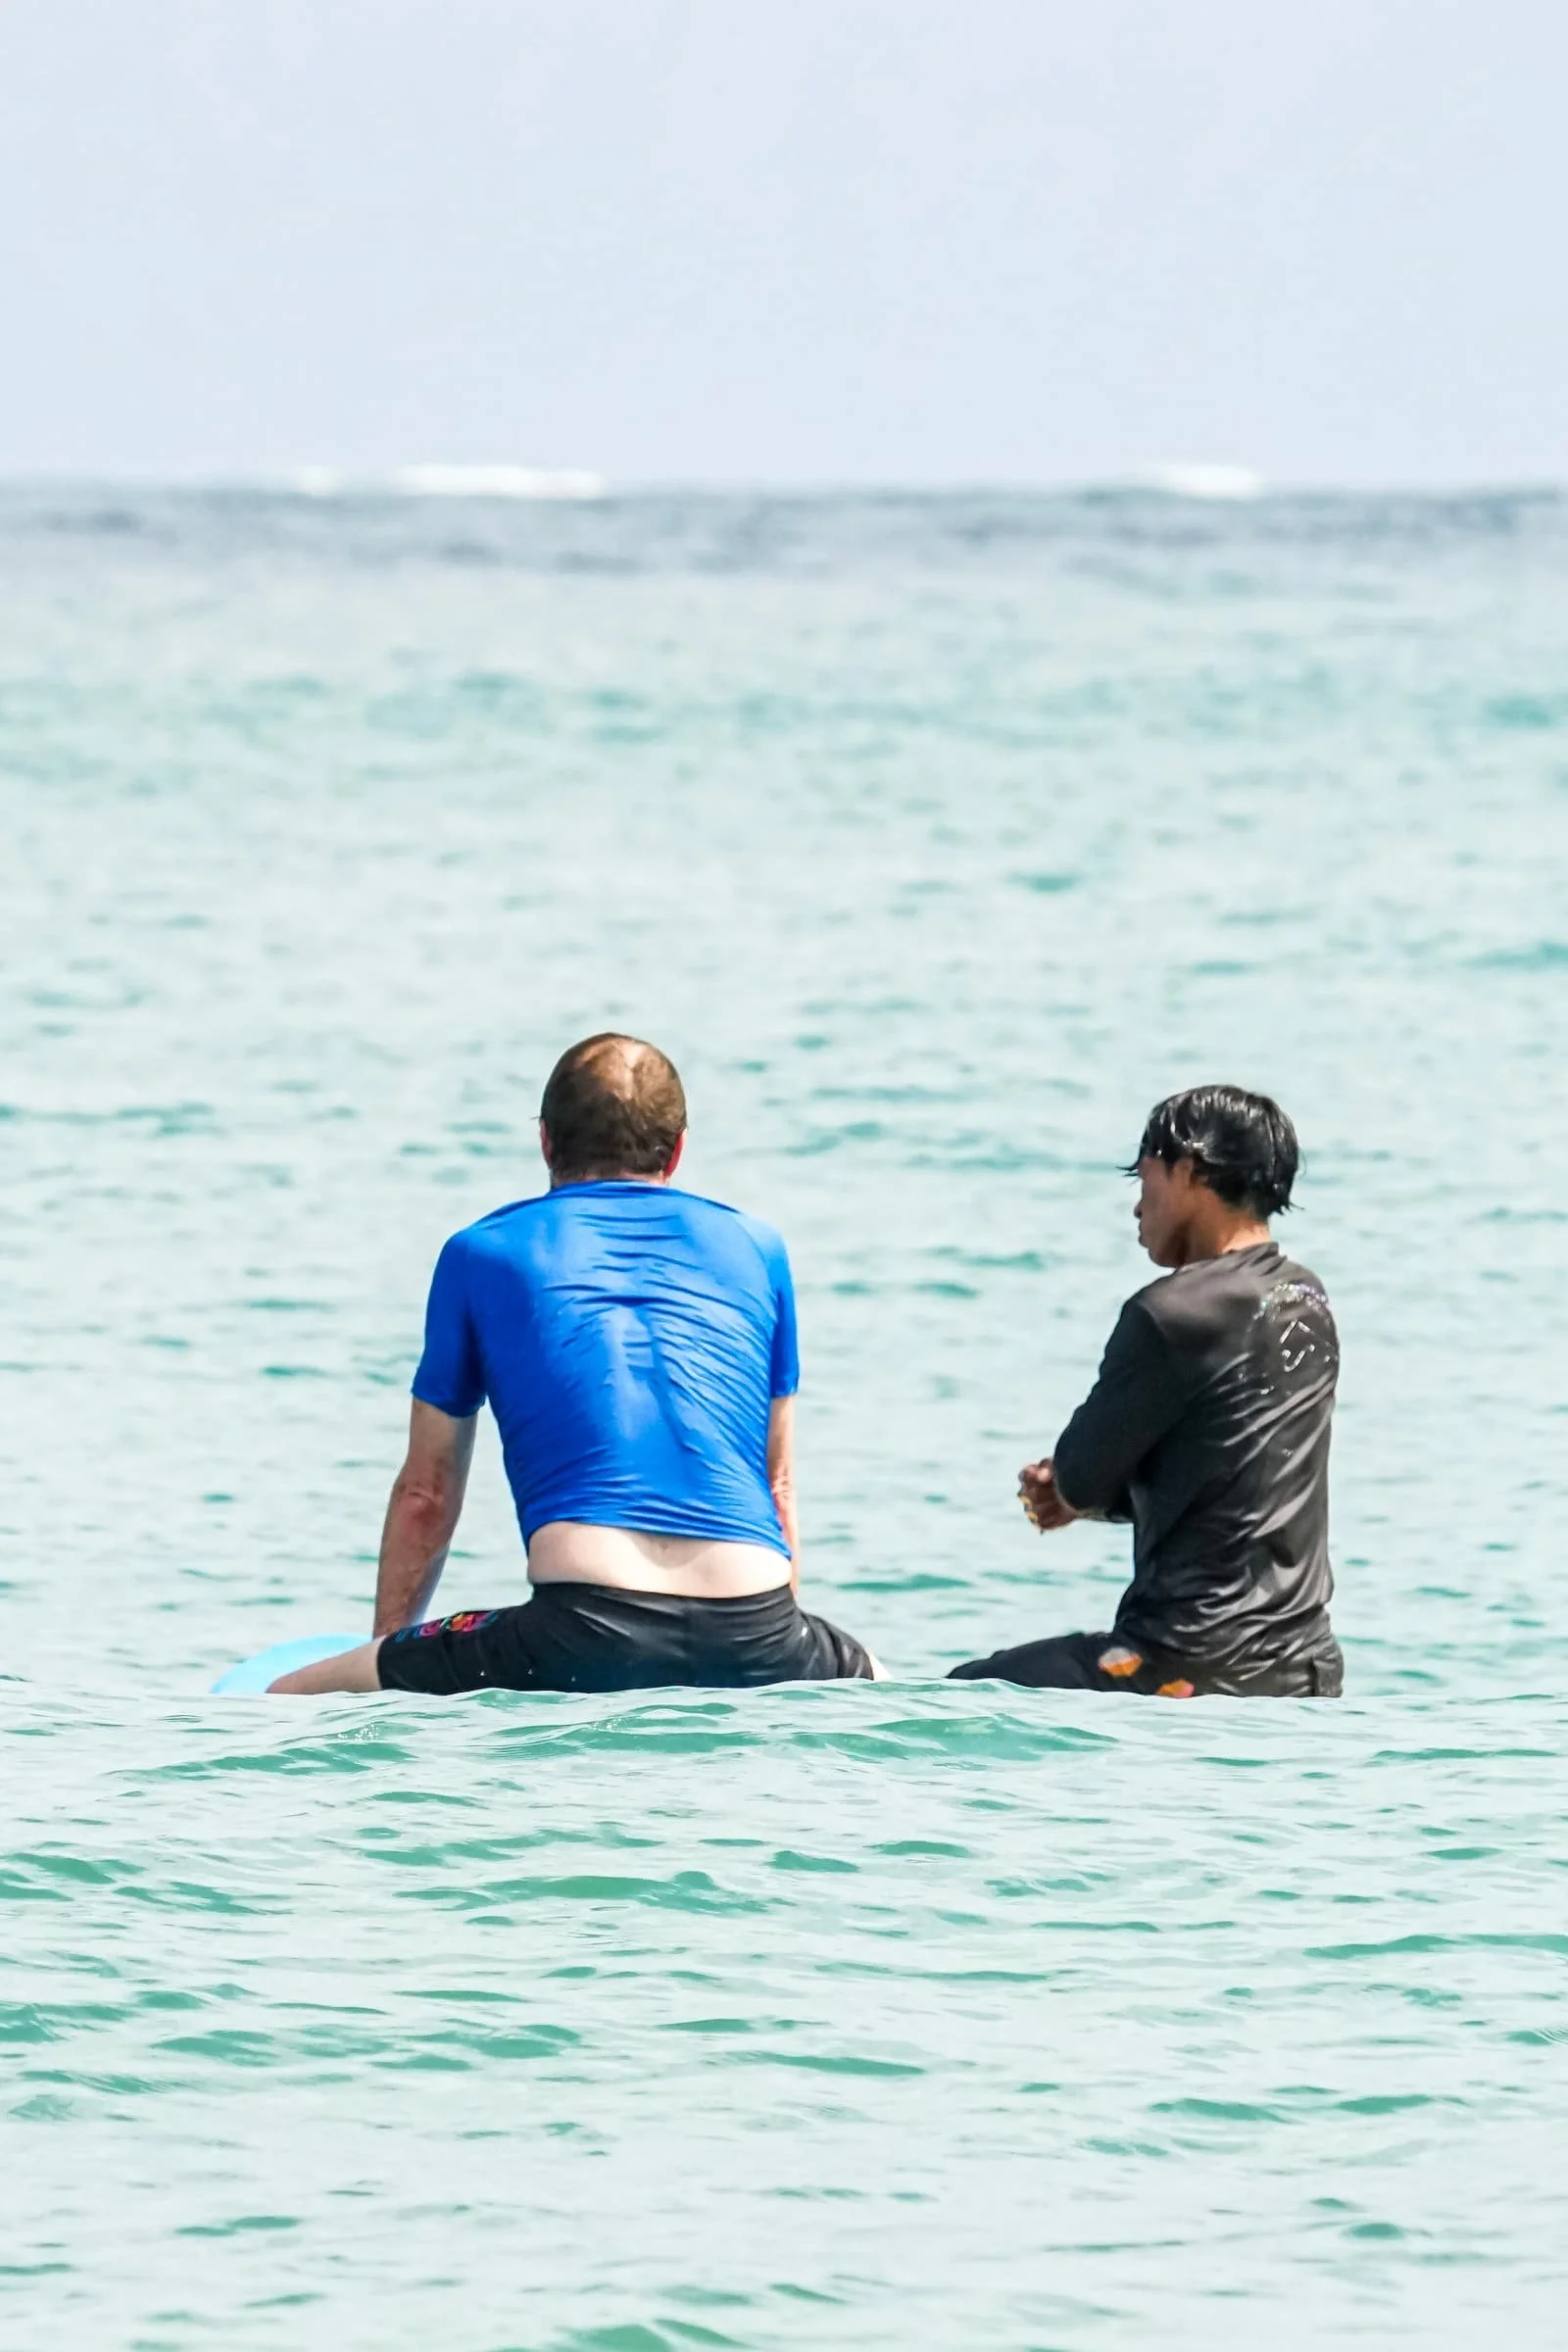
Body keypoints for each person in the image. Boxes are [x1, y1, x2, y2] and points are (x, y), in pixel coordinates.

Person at [270, 1033, 877, 1695]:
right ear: (677, 1151)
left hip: (580, 1630)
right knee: (883, 1679)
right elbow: (777, 1484)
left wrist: (387, 1655)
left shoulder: (482, 1253)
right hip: (761, 1628)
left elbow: (427, 1494)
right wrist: (773, 1661)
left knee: (291, 1694)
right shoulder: (759, 1249)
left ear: (545, 1141)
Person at [951, 1085, 1343, 1698]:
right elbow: (1233, 1471)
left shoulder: (1170, 1313)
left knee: (968, 1696)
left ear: (1189, 1169)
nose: (1138, 1205)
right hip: (1305, 1667)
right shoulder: (1308, 1300)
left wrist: (1072, 1493)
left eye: (1145, 1176)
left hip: (1182, 1661)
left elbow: (1079, 1476)